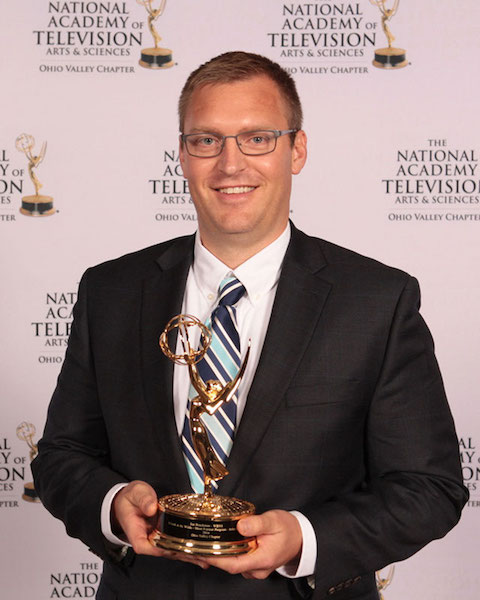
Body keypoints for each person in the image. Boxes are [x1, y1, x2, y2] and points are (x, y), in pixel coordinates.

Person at [32, 51, 467, 600]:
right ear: (184, 155)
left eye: (257, 138)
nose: (230, 164)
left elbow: (429, 489)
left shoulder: (377, 300)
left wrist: (304, 539)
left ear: (297, 150)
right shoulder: (111, 291)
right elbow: (62, 456)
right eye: (206, 140)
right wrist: (112, 503)